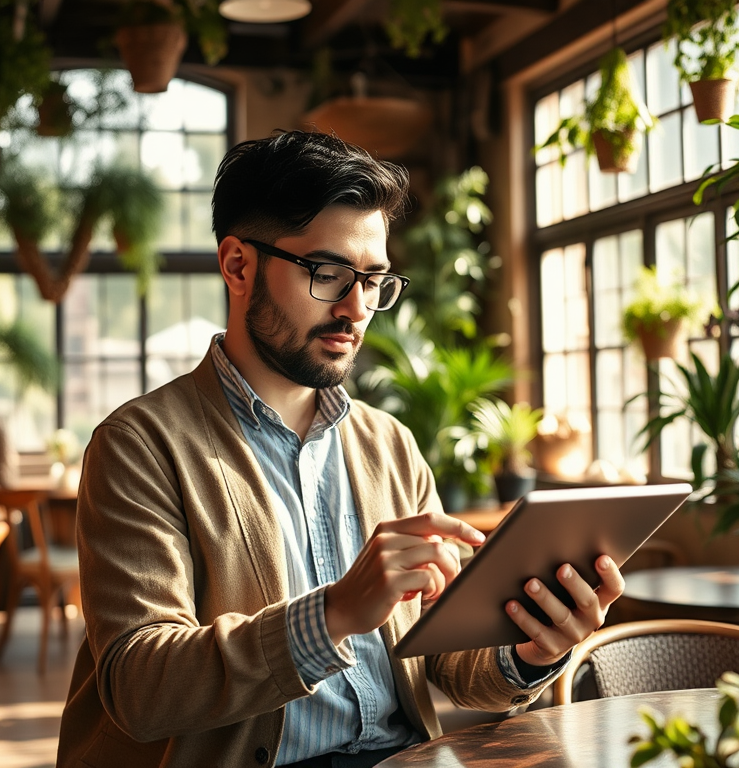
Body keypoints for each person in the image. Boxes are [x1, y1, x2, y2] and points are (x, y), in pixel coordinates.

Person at [56, 130, 625, 768]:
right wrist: (334, 613)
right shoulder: (139, 446)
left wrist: (529, 651)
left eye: (374, 280)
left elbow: (451, 667)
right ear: (239, 266)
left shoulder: (390, 446)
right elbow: (140, 688)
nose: (357, 308)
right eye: (329, 275)